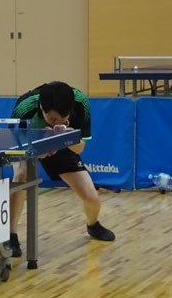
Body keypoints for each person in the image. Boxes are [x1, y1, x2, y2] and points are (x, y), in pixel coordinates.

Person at [7, 81, 115, 257]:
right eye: (53, 119)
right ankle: (11, 236)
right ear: (42, 108)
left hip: (64, 141)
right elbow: (15, 147)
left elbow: (79, 148)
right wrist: (41, 147)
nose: (57, 122)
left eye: (63, 118)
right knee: (21, 175)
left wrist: (65, 137)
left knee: (92, 198)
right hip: (31, 142)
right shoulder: (24, 107)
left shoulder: (80, 102)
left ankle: (93, 225)